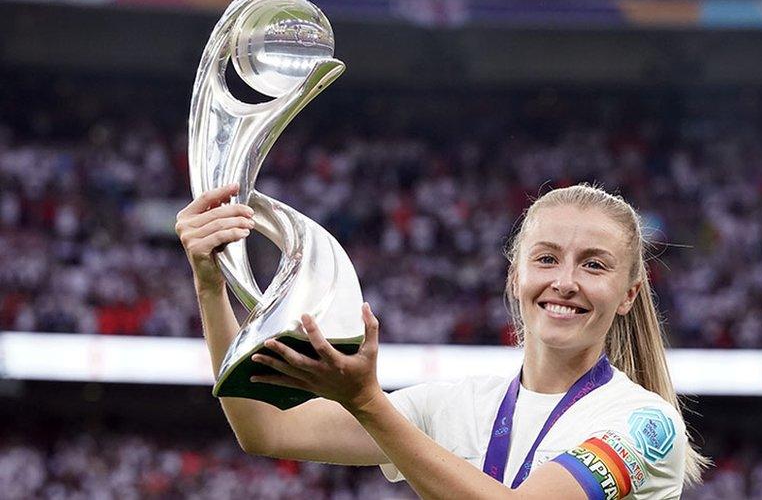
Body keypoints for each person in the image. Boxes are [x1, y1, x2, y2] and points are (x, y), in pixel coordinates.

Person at [176, 182, 708, 499]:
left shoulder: (645, 423)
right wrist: (209, 283)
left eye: (593, 265)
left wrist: (366, 403)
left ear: (629, 295)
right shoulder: (455, 405)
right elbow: (267, 428)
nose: (564, 281)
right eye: (546, 258)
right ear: (514, 277)